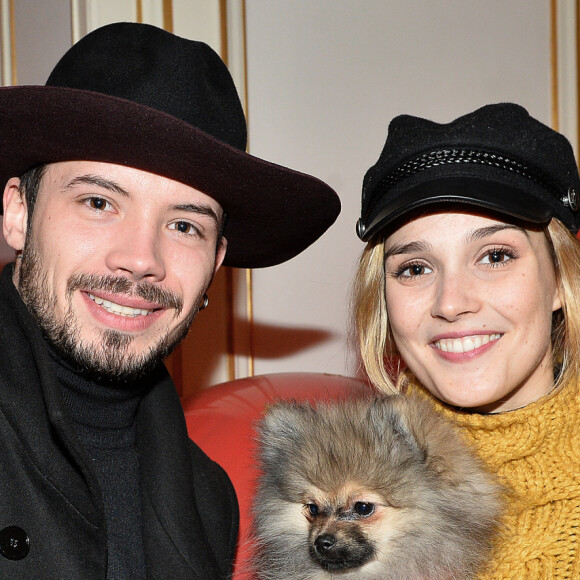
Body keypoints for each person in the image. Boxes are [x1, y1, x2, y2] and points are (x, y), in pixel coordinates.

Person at [0, 22, 340, 579]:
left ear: (216, 260)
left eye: (184, 225)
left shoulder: (212, 502)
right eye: (98, 202)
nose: (140, 258)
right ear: (19, 213)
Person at [353, 103, 579, 578]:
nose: (451, 303)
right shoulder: (329, 493)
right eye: (415, 268)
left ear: (559, 281)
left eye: (495, 256)